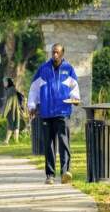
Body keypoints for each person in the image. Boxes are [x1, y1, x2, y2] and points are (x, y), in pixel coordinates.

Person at [28, 43, 79, 185]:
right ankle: (50, 175)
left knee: (64, 142)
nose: (55, 55)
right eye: (53, 52)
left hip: (63, 111)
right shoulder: (43, 69)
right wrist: (32, 105)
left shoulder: (68, 69)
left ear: (62, 53)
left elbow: (74, 86)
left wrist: (75, 98)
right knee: (49, 145)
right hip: (46, 112)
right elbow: (33, 89)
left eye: (57, 52)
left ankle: (65, 173)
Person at [1, 77, 25, 144]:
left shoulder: (10, 90)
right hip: (16, 110)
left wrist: (4, 113)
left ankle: (6, 141)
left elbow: (8, 103)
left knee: (10, 125)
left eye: (5, 82)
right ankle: (16, 141)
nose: (4, 84)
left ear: (8, 83)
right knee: (16, 125)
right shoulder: (13, 89)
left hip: (11, 111)